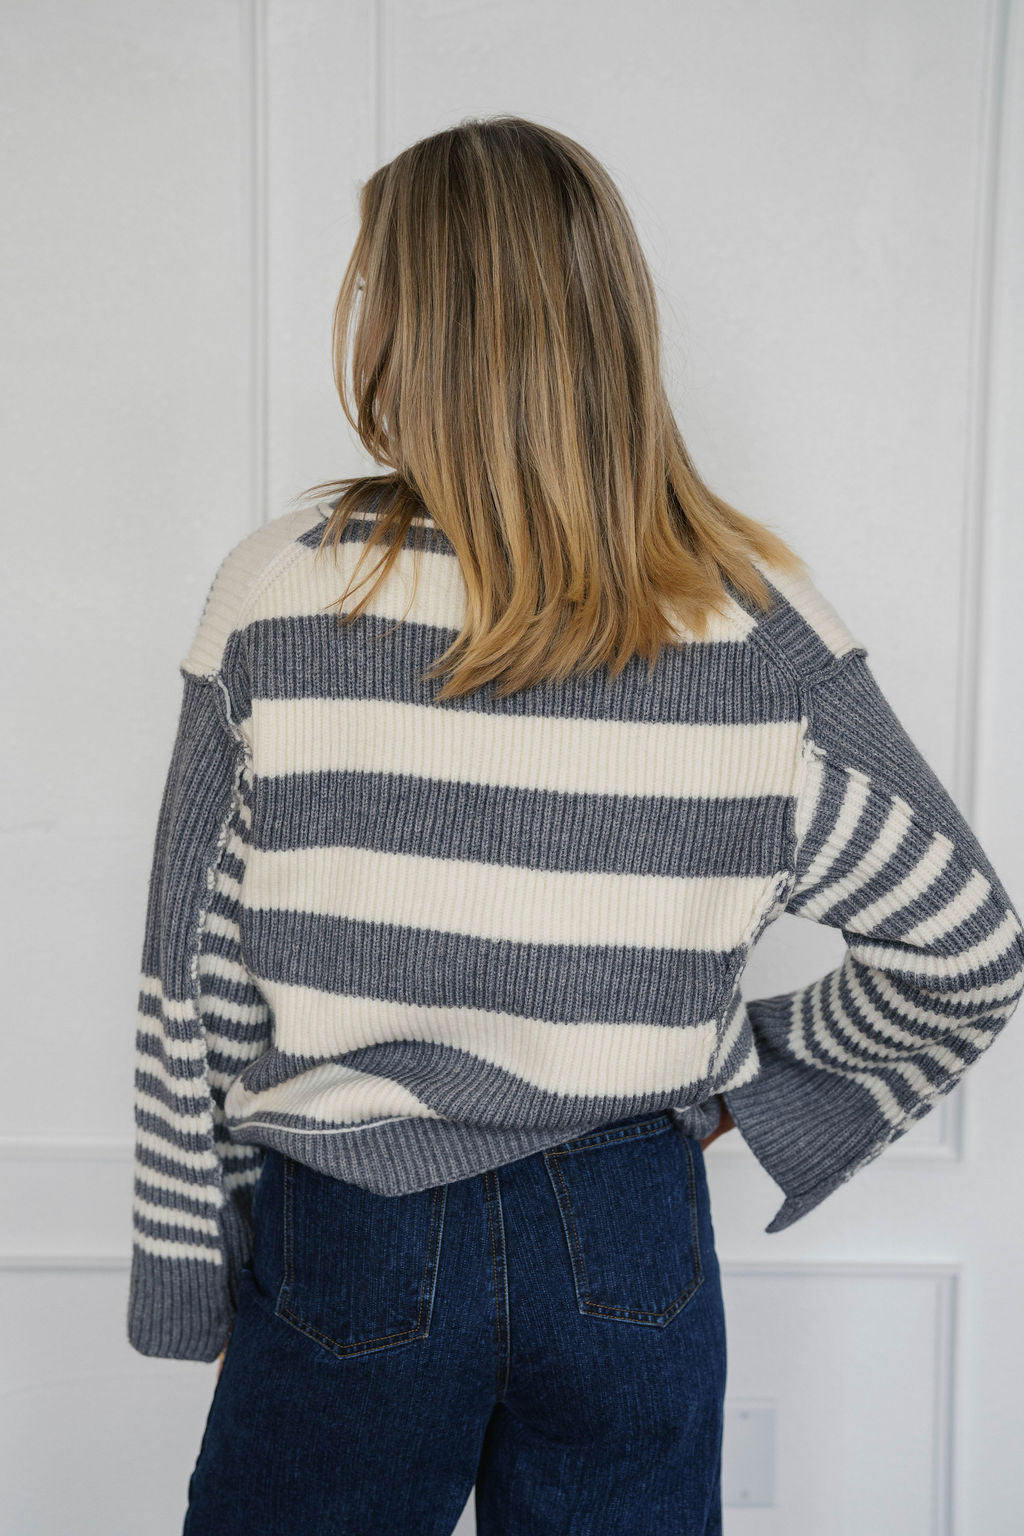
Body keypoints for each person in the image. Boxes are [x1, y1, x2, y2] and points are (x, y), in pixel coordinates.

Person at [127, 115, 1024, 1536]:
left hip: (351, 1234)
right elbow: (968, 950)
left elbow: (195, 977)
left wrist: (192, 1277)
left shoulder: (279, 596)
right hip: (628, 1236)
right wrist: (734, 1092)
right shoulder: (754, 625)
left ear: (402, 328)